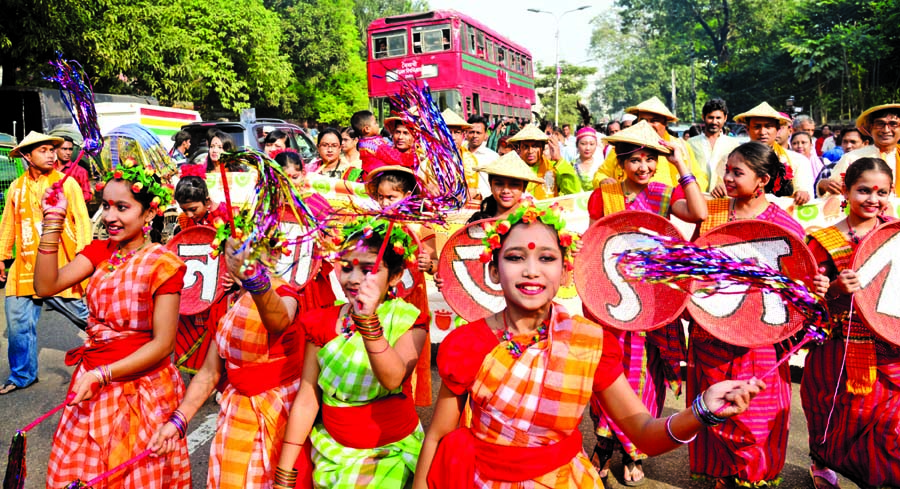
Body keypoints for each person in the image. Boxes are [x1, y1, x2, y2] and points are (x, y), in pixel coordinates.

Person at [412, 198, 766, 488]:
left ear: (566, 271)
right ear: (493, 270)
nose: (531, 270)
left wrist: (702, 410)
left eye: (547, 258)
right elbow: (439, 436)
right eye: (515, 257)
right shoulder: (467, 343)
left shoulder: (588, 343)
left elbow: (645, 434)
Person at [35, 152, 190, 487]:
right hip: (92, 383)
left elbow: (163, 345)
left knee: (131, 476)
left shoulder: (162, 263)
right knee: (83, 472)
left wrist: (103, 375)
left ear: (150, 212)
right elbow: (45, 285)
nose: (110, 216)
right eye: (106, 206)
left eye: (123, 207)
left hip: (141, 389)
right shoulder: (100, 251)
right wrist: (52, 222)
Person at [689, 141, 829, 488]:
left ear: (763, 180)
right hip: (712, 334)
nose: (728, 178)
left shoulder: (784, 226)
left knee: (756, 416)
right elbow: (692, 265)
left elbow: (799, 285)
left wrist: (817, 290)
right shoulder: (714, 213)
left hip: (762, 340)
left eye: (738, 172)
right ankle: (726, 473)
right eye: (727, 170)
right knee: (716, 409)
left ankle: (751, 476)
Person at [585, 121, 707, 484]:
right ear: (621, 163)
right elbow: (594, 245)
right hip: (612, 297)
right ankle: (604, 447)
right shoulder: (604, 195)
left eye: (650, 160)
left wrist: (680, 163)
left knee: (646, 377)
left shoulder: (663, 192)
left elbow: (699, 213)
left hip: (654, 301)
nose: (644, 168)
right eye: (635, 161)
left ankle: (633, 452)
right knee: (609, 373)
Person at [150, 226, 311, 487]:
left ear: (270, 255)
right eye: (233, 251)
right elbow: (210, 373)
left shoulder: (285, 294)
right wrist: (178, 421)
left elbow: (280, 321)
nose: (241, 259)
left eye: (250, 251)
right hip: (237, 414)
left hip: (277, 414)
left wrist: (255, 279)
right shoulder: (228, 303)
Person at [274, 219, 427, 488]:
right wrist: (285, 472)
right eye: (346, 267)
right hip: (331, 454)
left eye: (369, 270)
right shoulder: (320, 321)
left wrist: (368, 322)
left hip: (389, 455)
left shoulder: (407, 319)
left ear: (395, 276)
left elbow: (393, 379)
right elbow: (309, 398)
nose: (354, 279)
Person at [802, 157, 899, 489]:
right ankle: (823, 462)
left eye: (882, 192)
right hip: (837, 346)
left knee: (887, 420)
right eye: (863, 190)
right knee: (833, 412)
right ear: (845, 190)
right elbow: (804, 302)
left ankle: (874, 473)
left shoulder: (893, 235)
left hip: (888, 345)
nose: (873, 199)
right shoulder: (823, 241)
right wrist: (833, 290)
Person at [0, 132, 92, 394]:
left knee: (87, 318)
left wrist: (84, 260)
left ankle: (126, 350)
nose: (52, 155)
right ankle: (22, 375)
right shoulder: (16, 187)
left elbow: (82, 222)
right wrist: (2, 256)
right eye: (44, 150)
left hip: (60, 268)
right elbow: (8, 224)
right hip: (24, 267)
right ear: (27, 156)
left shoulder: (66, 184)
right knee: (18, 326)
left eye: (53, 150)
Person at [594, 97, 708, 193]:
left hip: (672, 211)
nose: (647, 125)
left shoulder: (680, 147)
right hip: (630, 211)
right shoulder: (624, 145)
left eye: (654, 120)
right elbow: (601, 173)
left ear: (665, 123)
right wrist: (603, 181)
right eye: (643, 120)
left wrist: (690, 190)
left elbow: (700, 176)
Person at [730, 102, 813, 203]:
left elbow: (804, 191)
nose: (762, 132)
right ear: (747, 129)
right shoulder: (733, 159)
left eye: (768, 127)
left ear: (777, 129)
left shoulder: (798, 161)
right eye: (757, 127)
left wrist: (802, 194)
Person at [819, 103, 900, 197]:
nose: (886, 130)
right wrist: (823, 186)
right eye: (879, 124)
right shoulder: (852, 158)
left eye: (893, 124)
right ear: (870, 127)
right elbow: (832, 195)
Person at [467, 151, 542, 223]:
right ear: (490, 184)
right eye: (499, 184)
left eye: (514, 184)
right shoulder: (479, 223)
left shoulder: (533, 223)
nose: (506, 190)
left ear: (524, 187)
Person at [507, 124, 579, 199]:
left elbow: (574, 191)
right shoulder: (511, 169)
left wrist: (559, 159)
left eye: (535, 146)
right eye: (525, 147)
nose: (530, 151)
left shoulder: (554, 168)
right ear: (519, 148)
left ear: (542, 148)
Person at [688, 98, 740, 193]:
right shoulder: (691, 143)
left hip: (725, 195)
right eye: (711, 117)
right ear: (703, 117)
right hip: (697, 195)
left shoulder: (733, 144)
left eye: (718, 118)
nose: (714, 122)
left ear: (725, 118)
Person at [441, 109, 481, 201]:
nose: (453, 137)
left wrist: (470, 193)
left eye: (457, 132)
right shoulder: (430, 161)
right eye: (448, 132)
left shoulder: (471, 159)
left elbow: (474, 189)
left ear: (463, 135)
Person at [467, 115, 500, 199]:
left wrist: (479, 194)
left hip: (485, 204)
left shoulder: (493, 157)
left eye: (478, 133)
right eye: (471, 132)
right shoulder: (459, 153)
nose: (475, 135)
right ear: (466, 133)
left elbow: (498, 184)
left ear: (485, 135)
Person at [56, 135, 93, 203]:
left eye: (70, 149)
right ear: (55, 149)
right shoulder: (49, 168)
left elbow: (87, 195)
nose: (68, 153)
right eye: (64, 149)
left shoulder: (80, 171)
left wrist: (71, 201)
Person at [570, 127, 602, 192]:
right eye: (583, 144)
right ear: (577, 145)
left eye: (591, 144)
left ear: (596, 145)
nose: (587, 148)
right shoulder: (571, 165)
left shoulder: (601, 165)